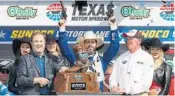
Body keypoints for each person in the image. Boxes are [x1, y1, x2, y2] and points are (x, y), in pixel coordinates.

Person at [57, 16, 120, 91]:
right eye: (87, 42)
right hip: (81, 93)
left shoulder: (103, 59)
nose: (90, 44)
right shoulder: (77, 58)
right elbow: (65, 49)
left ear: (96, 44)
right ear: (83, 44)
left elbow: (115, 46)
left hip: (98, 93)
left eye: (92, 42)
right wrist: (62, 28)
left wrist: (113, 27)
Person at [109, 29, 154, 95]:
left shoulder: (147, 58)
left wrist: (127, 90)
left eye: (131, 38)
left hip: (140, 94)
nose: (128, 41)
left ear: (139, 41)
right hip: (122, 94)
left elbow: (146, 82)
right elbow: (114, 76)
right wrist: (113, 86)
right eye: (127, 39)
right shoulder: (121, 58)